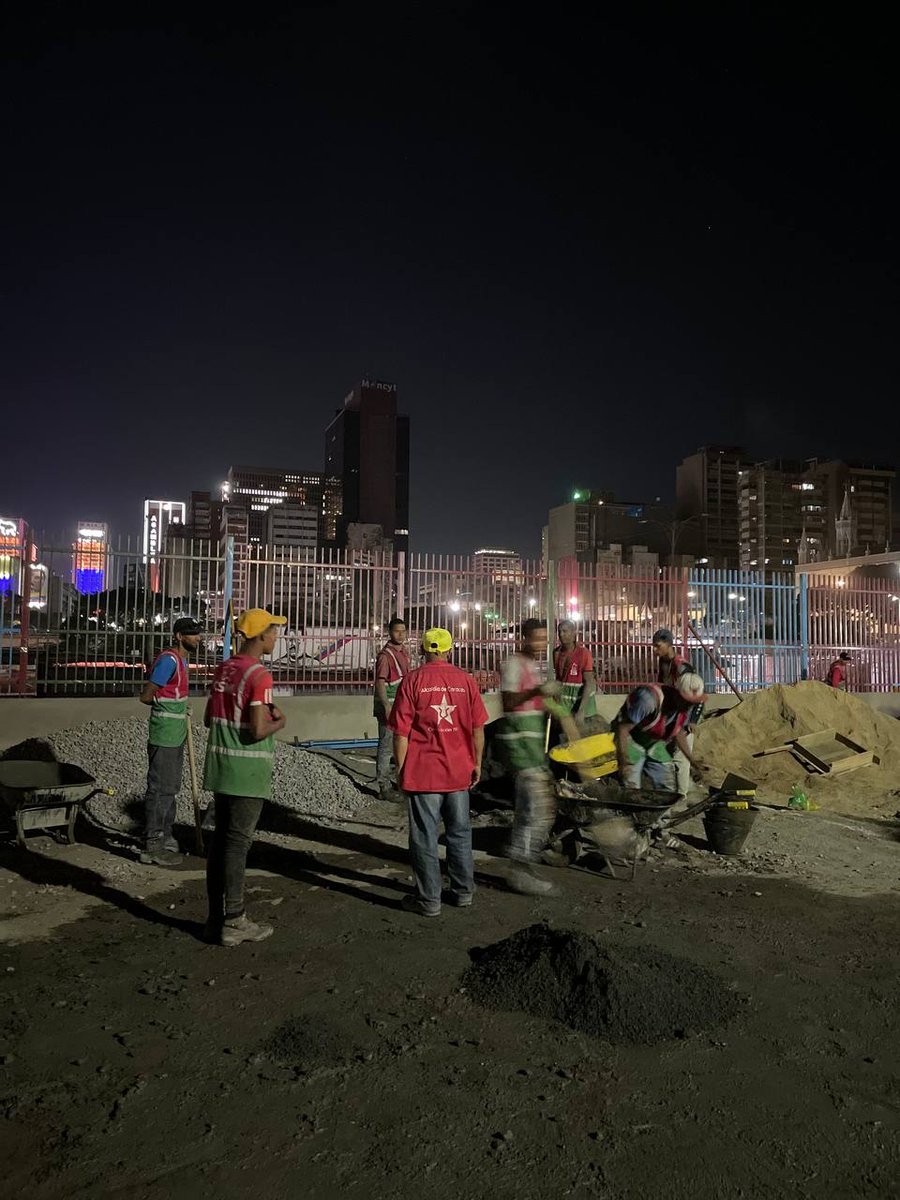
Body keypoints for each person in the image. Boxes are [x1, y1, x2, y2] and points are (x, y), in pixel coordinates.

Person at [389, 627, 489, 917]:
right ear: (449, 649)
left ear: (422, 650)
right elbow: (477, 728)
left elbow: (400, 734)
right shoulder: (466, 681)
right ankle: (463, 892)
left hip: (423, 774)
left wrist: (401, 769)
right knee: (459, 834)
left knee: (424, 837)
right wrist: (477, 763)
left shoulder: (412, 680)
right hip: (459, 772)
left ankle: (429, 900)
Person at [202, 608, 287, 947]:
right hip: (246, 771)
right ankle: (235, 920)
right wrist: (280, 721)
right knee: (237, 845)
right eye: (273, 631)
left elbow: (210, 718)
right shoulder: (259, 675)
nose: (276, 637)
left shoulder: (225, 669)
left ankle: (215, 920)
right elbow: (258, 728)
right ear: (261, 635)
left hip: (220, 767)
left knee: (220, 844)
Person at [496, 618, 562, 896]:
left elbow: (535, 703)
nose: (541, 643)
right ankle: (520, 870)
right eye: (536, 638)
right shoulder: (513, 664)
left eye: (544, 638)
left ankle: (521, 866)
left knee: (532, 811)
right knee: (537, 812)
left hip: (531, 750)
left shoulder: (532, 667)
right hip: (519, 748)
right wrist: (538, 691)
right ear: (523, 638)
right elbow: (508, 702)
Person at [138, 616, 203, 866]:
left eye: (198, 633)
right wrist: (170, 708)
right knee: (160, 789)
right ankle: (152, 845)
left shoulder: (181, 661)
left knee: (171, 789)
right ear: (179, 636)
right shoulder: (169, 661)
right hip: (164, 733)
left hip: (175, 734)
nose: (197, 638)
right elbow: (146, 696)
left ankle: (165, 836)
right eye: (192, 633)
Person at [613, 674, 707, 794]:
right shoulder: (649, 700)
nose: (689, 706)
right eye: (687, 702)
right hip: (631, 739)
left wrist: (692, 761)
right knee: (631, 789)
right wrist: (623, 760)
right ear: (676, 694)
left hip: (654, 742)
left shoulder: (682, 707)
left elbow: (678, 733)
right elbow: (623, 730)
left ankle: (664, 812)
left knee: (668, 788)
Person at [651, 628, 700, 799]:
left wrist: (692, 720)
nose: (655, 650)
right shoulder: (663, 664)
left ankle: (681, 796)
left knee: (681, 758)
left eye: (658, 646)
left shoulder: (682, 666)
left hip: (683, 717)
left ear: (669, 644)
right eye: (654, 646)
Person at [373, 616, 410, 800]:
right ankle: (384, 787)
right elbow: (379, 683)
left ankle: (400, 783)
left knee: (400, 746)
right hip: (389, 707)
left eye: (403, 631)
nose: (401, 634)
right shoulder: (385, 656)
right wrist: (387, 706)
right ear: (390, 632)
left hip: (400, 707)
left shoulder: (403, 653)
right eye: (397, 631)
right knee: (386, 747)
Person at [553, 620, 598, 720]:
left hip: (583, 708)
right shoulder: (556, 653)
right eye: (559, 631)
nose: (561, 634)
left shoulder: (583, 653)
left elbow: (589, 682)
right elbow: (559, 679)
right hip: (566, 707)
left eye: (565, 631)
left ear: (574, 633)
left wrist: (581, 711)